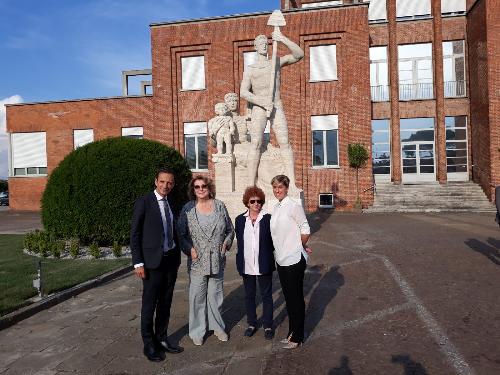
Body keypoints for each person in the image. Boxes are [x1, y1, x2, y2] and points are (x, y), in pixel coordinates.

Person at [130, 168, 184, 362]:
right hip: (151, 263)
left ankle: (161, 338)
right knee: (149, 304)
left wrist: (177, 257)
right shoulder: (144, 202)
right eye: (162, 182)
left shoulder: (172, 203)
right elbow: (134, 234)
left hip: (170, 261)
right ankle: (148, 343)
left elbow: (175, 232)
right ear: (156, 181)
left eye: (169, 183)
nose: (165, 186)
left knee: (166, 303)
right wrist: (138, 263)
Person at [240, 30, 304, 188]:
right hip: (259, 108)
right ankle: (250, 185)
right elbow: (243, 92)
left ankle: (293, 184)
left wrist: (282, 39)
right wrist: (261, 101)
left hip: (276, 105)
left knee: (285, 143)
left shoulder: (275, 62)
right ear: (255, 47)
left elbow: (299, 55)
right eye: (260, 44)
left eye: (265, 44)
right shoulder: (251, 68)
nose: (263, 46)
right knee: (255, 143)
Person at [177, 175, 235, 345]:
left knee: (216, 297)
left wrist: (226, 243)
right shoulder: (188, 209)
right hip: (197, 261)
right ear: (193, 190)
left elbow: (230, 230)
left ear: (209, 188)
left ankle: (217, 327)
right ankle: (197, 331)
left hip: (217, 260)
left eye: (204, 186)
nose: (201, 189)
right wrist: (189, 249)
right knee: (197, 297)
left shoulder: (220, 206)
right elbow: (181, 234)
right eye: (197, 187)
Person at [270, 175, 311, 349]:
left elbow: (305, 227)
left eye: (280, 187)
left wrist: (300, 245)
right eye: (275, 187)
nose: (277, 190)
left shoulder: (293, 205)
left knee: (296, 299)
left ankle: (297, 337)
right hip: (281, 259)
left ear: (286, 188)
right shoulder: (276, 207)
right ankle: (291, 333)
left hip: (294, 259)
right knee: (289, 299)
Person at [234, 186, 275, 340]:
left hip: (264, 262)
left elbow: (274, 239)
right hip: (246, 264)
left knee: (267, 296)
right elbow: (240, 241)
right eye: (253, 201)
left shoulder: (268, 218)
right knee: (249, 295)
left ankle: (268, 325)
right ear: (247, 202)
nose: (256, 203)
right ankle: (252, 323)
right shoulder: (239, 219)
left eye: (259, 201)